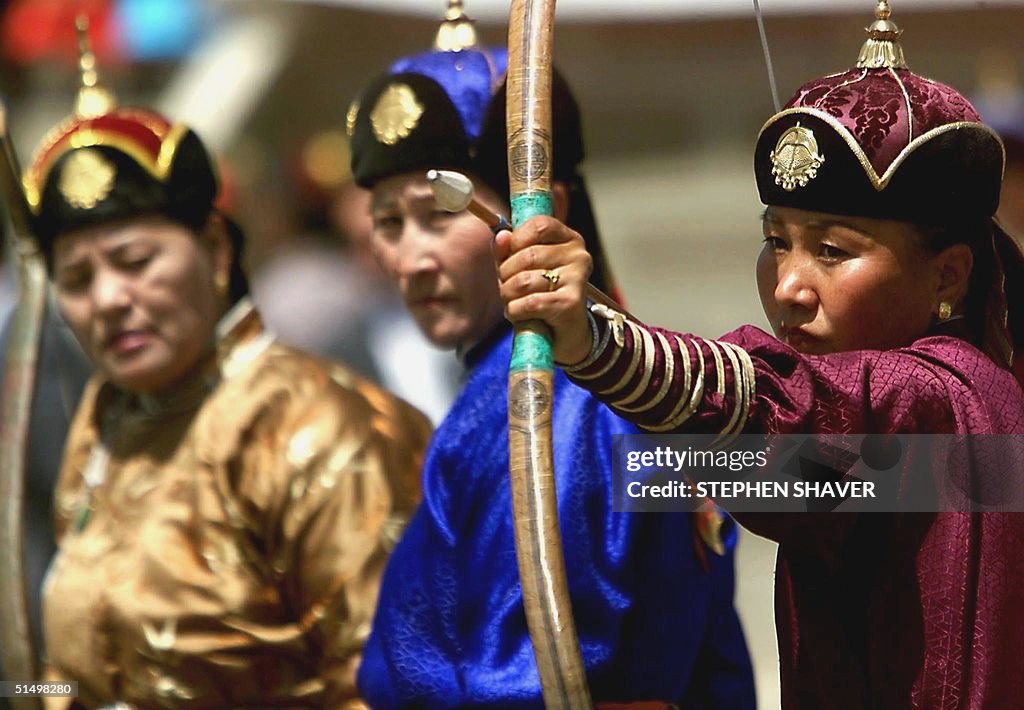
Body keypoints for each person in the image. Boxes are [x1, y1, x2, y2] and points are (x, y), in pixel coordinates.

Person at [496, 3, 1024, 708]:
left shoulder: (949, 404)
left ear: (947, 275)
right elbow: (777, 469)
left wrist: (596, 343)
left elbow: (788, 417)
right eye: (777, 240)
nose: (788, 285)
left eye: (833, 251)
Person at [345, 9, 756, 707]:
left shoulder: (561, 399)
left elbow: (523, 682)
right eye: (388, 222)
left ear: (540, 213)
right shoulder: (582, 383)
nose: (411, 258)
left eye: (439, 213)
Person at [22, 61, 431, 708]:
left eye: (135, 262)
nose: (108, 299)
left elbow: (387, 683)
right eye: (76, 281)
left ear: (215, 252)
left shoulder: (319, 427)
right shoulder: (104, 429)